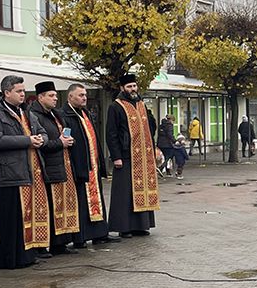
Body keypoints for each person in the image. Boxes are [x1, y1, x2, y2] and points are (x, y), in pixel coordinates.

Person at [0, 75, 50, 268]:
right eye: (19, 91)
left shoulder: (27, 113)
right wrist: (28, 140)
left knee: (25, 217)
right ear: (7, 93)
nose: (23, 94)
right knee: (10, 220)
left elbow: (42, 132)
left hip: (30, 172)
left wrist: (41, 140)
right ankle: (7, 259)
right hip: (9, 174)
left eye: (23, 90)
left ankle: (27, 255)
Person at [58, 84, 117, 247]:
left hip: (93, 165)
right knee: (82, 204)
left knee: (96, 200)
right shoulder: (65, 115)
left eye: (84, 95)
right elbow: (66, 138)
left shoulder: (85, 113)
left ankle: (100, 233)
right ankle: (80, 237)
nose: (84, 98)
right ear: (70, 97)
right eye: (80, 95)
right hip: (80, 165)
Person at [106, 73, 161, 237]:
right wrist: (116, 156)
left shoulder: (141, 104)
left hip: (144, 156)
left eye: (134, 86)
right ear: (122, 88)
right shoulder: (115, 106)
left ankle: (141, 225)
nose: (133, 89)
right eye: (129, 86)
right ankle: (124, 228)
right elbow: (111, 133)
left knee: (142, 189)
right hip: (126, 155)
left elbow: (151, 128)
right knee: (125, 193)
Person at [28, 81, 80, 256]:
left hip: (63, 163)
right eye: (51, 95)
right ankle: (45, 245)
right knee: (51, 206)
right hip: (49, 165)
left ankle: (61, 243)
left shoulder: (55, 114)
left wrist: (68, 141)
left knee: (63, 205)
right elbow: (41, 143)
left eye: (56, 95)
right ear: (40, 97)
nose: (55, 98)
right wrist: (60, 143)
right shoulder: (34, 115)